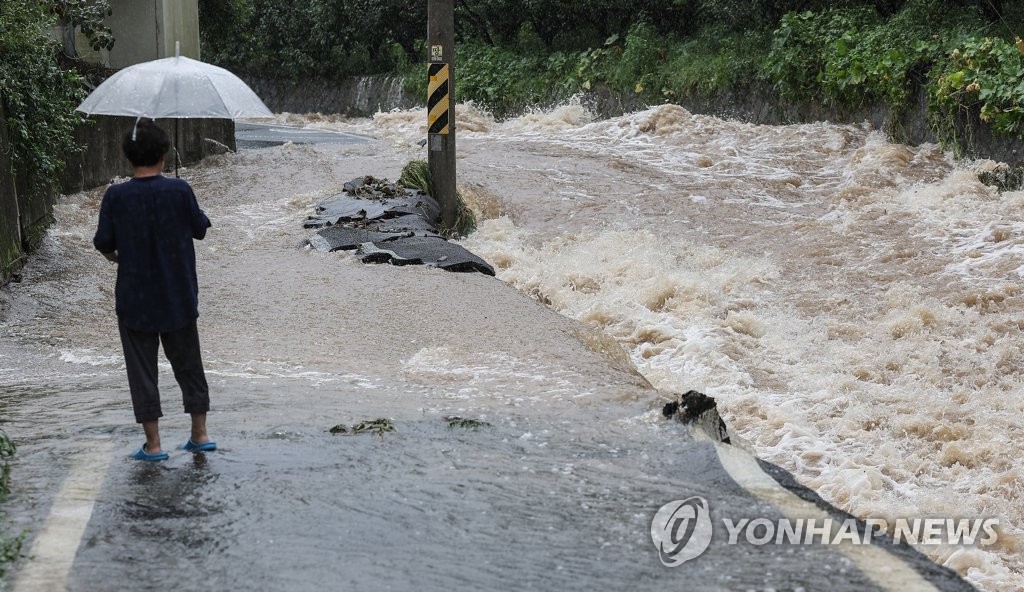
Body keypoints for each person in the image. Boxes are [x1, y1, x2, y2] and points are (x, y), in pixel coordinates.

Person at [93, 119, 216, 461]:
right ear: (164, 155)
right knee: (189, 364)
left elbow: (103, 242)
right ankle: (200, 433)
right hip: (178, 295)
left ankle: (154, 445)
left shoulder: (116, 195)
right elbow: (200, 229)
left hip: (135, 299)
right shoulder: (179, 190)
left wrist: (117, 258)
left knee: (142, 371)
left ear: (128, 157)